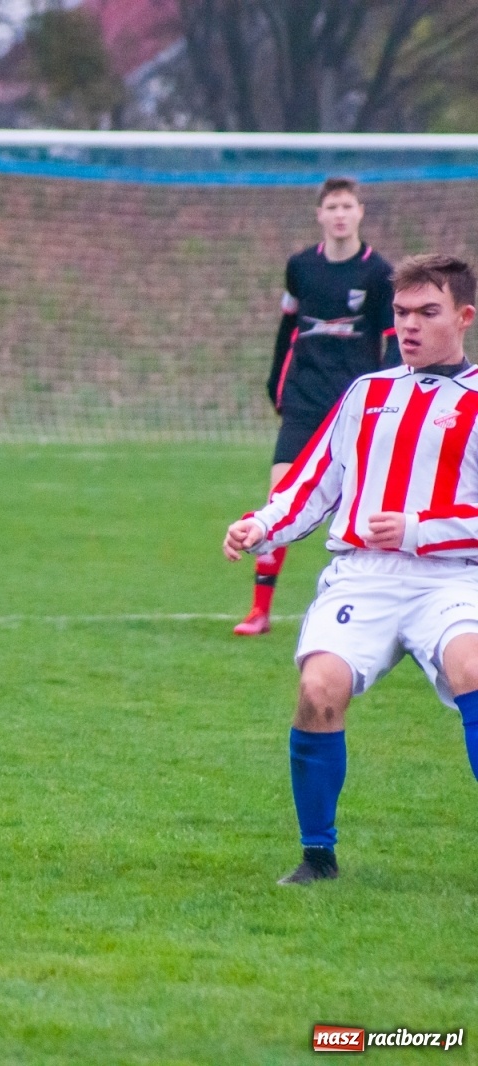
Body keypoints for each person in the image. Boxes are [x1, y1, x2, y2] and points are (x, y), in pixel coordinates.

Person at [224, 253, 478, 885]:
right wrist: (261, 526)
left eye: (428, 312)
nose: (410, 325)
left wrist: (421, 528)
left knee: (474, 668)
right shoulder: (367, 393)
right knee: (318, 690)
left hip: (453, 577)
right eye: (401, 312)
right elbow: (312, 484)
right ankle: (318, 858)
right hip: (363, 576)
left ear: (464, 316)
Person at [237, 177, 400, 636]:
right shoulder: (301, 267)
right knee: (279, 498)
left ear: (360, 211)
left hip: (353, 405)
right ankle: (259, 610)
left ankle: (375, 605)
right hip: (304, 401)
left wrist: (387, 394)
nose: (340, 214)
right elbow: (287, 327)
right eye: (332, 206)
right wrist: (276, 383)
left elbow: (392, 341)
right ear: (320, 214)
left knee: (364, 507)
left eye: (347, 206)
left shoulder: (378, 273)